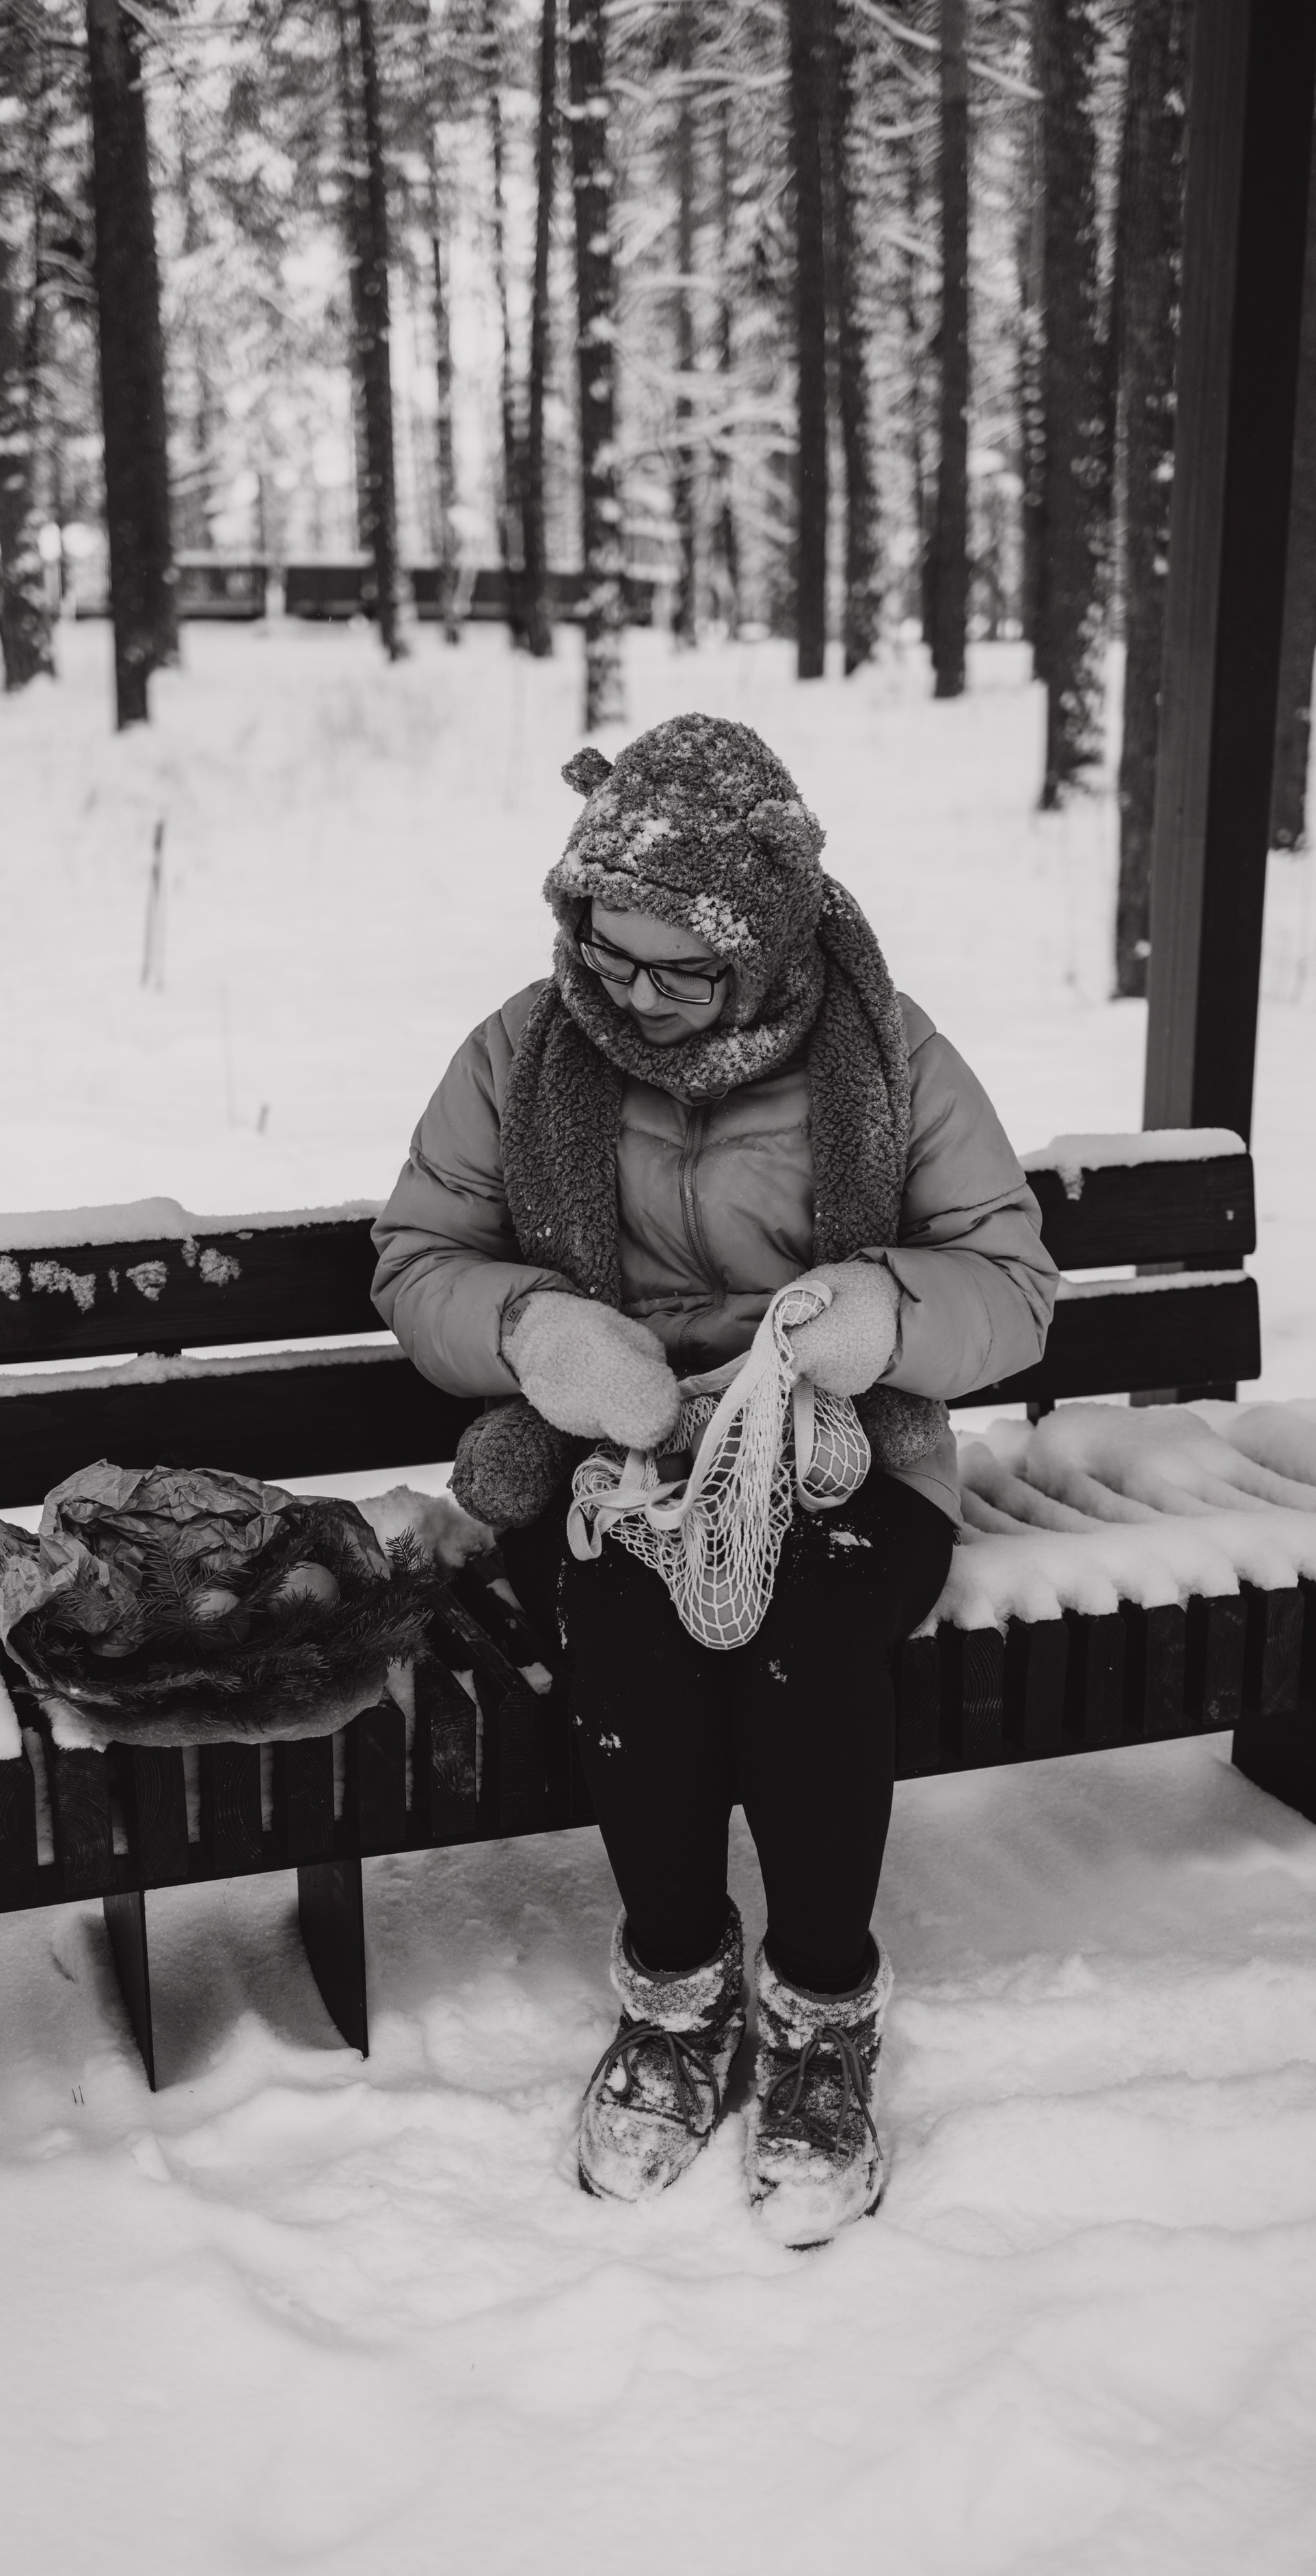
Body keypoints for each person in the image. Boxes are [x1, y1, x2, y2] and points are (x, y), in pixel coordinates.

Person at [371, 715, 1056, 2246]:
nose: (629, 997)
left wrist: (881, 1312)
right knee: (632, 1619)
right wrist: (532, 1331)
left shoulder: (883, 1054)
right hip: (609, 1452)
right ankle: (678, 2000)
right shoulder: (519, 1052)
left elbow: (1007, 1278)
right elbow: (418, 1258)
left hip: (846, 1445)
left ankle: (818, 2020)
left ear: (761, 945)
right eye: (604, 955)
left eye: (675, 967)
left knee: (801, 1635)